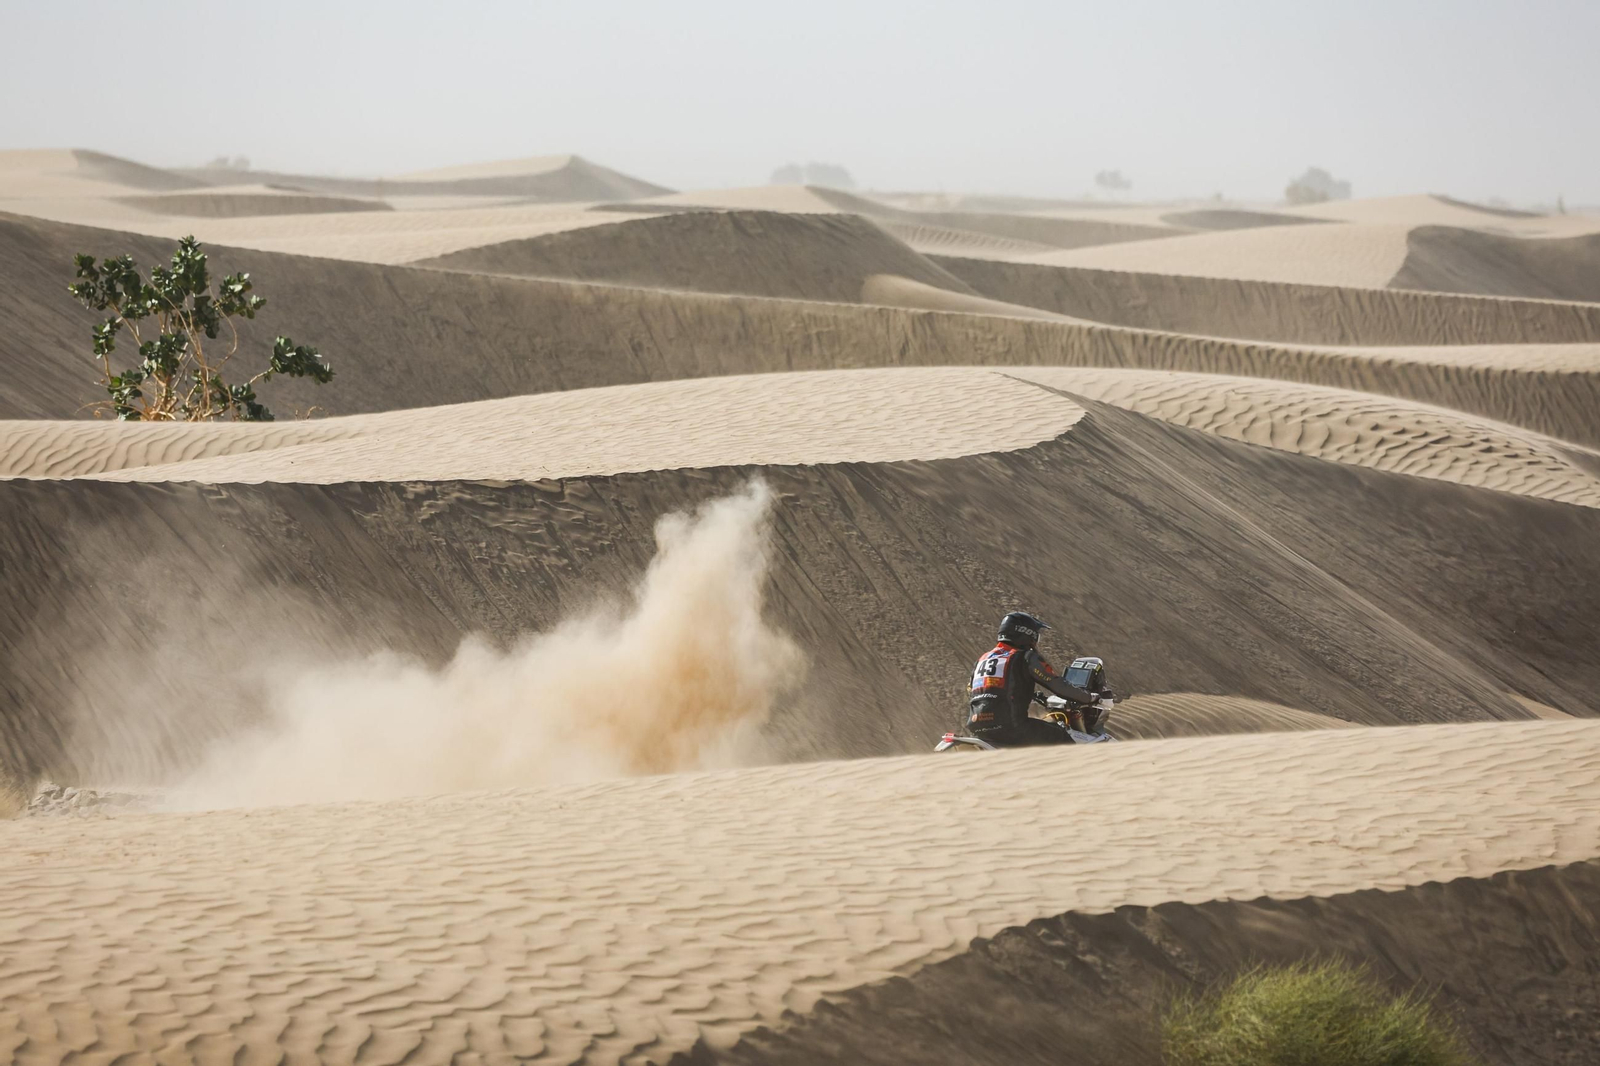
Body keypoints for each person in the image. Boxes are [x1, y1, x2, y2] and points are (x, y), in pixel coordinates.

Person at [966, 611, 1112, 747]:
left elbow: (972, 689)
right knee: (1062, 736)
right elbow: (1058, 685)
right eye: (1035, 635)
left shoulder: (983, 659)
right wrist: (1089, 698)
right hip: (1010, 727)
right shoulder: (1025, 657)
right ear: (1026, 634)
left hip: (978, 727)